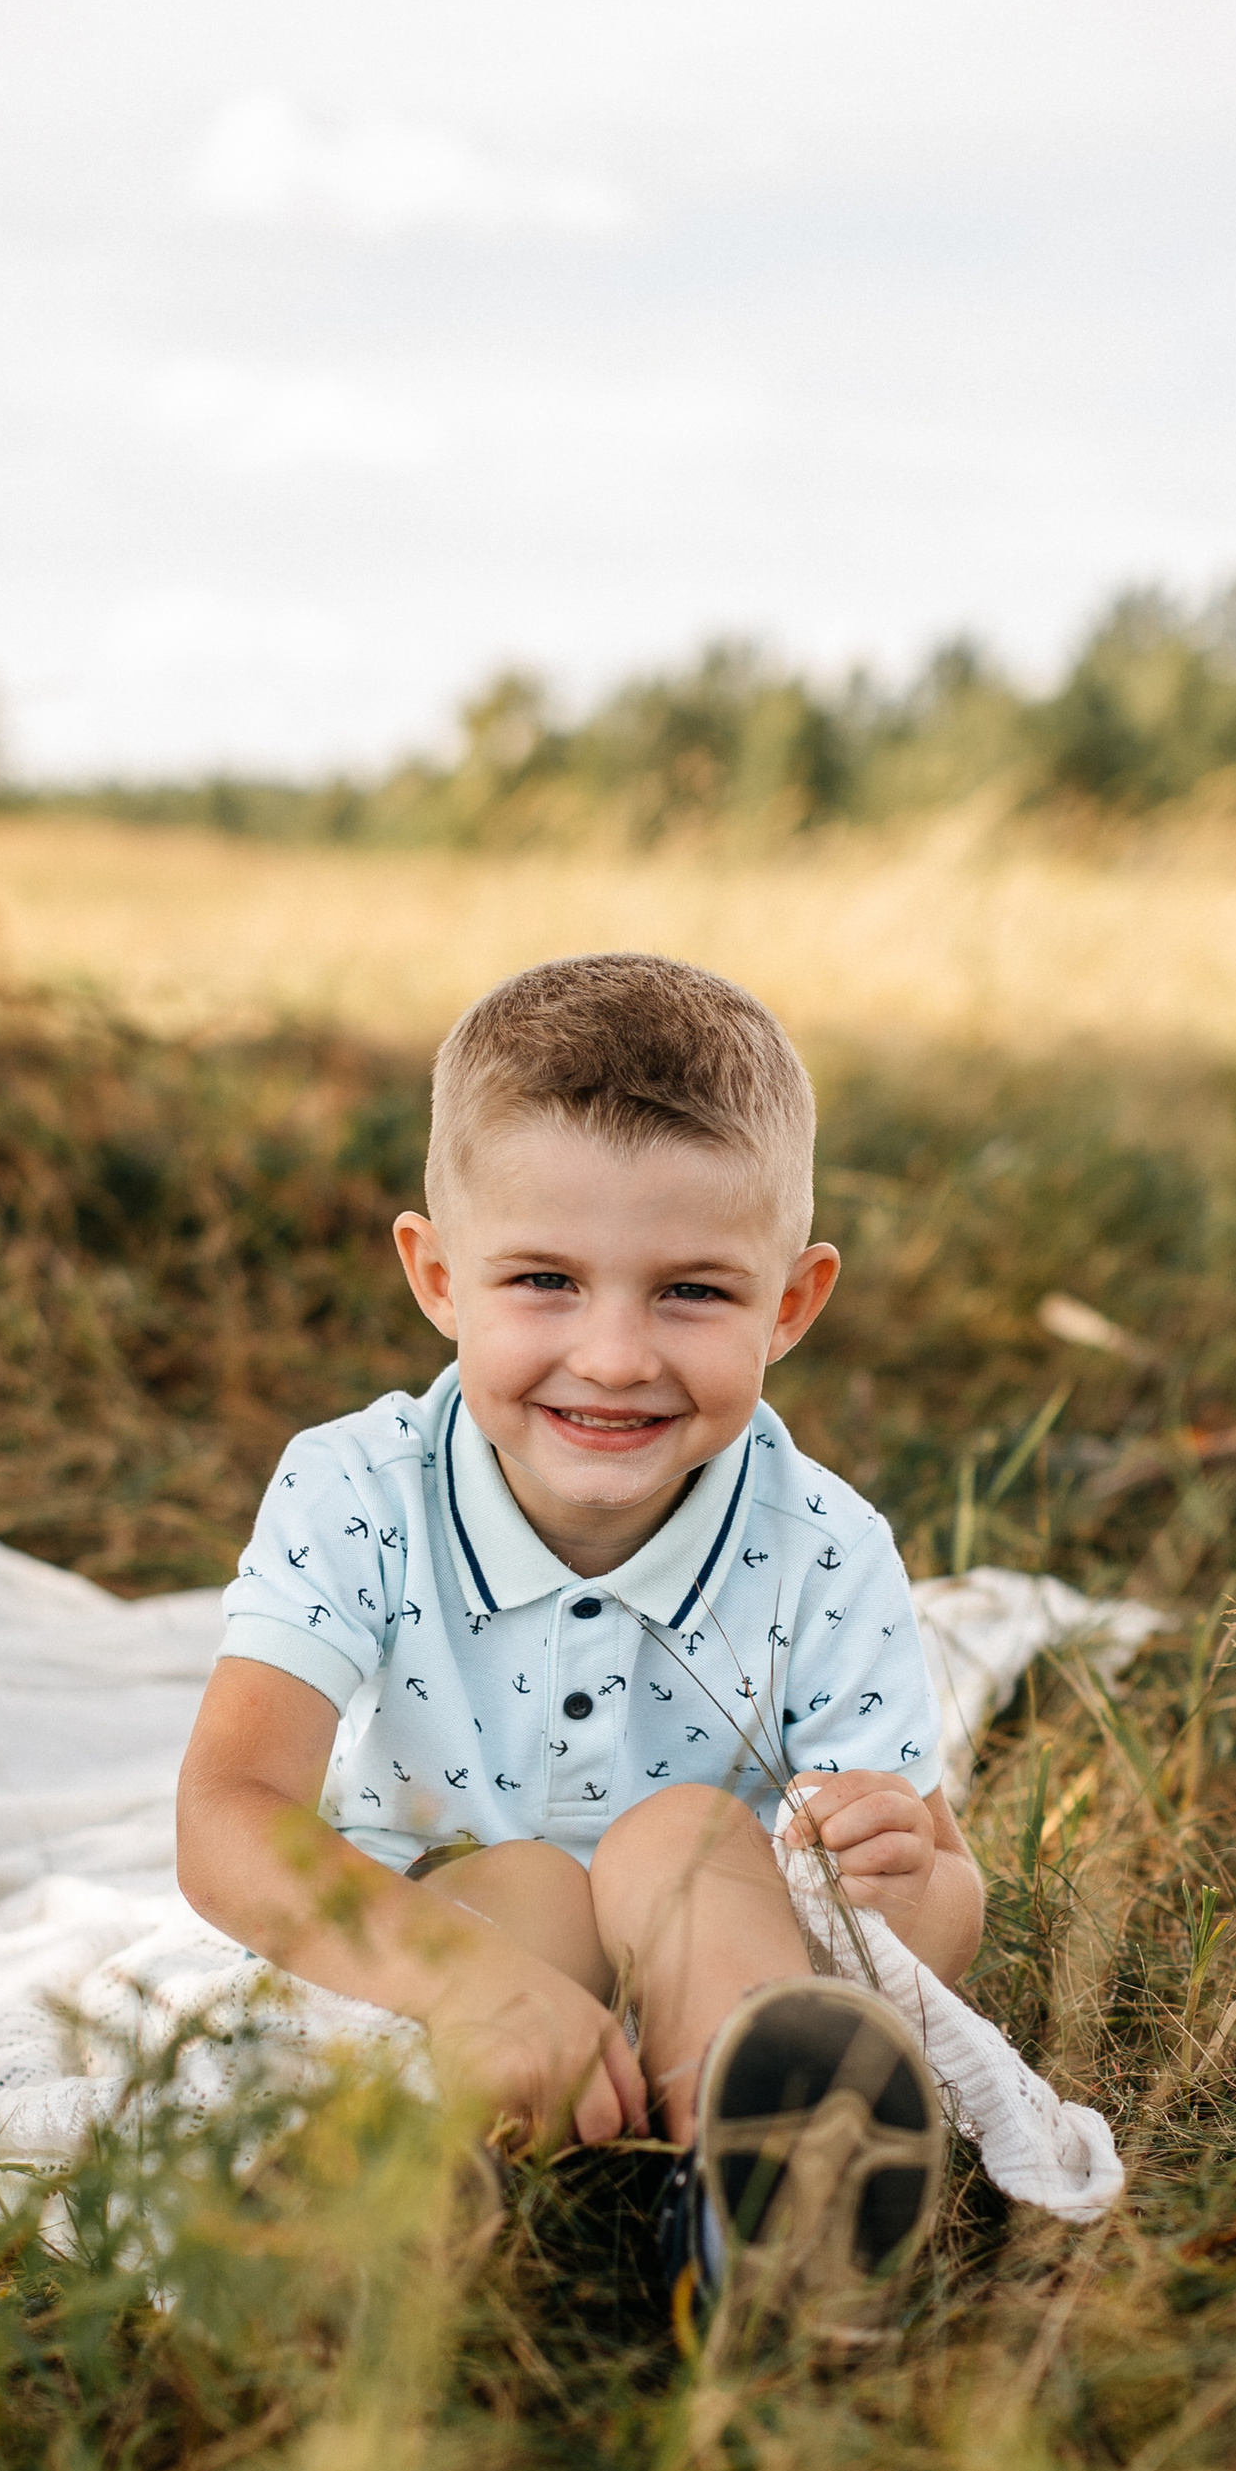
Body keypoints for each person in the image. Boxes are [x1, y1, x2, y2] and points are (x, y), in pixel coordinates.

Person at [175, 951, 983, 2313]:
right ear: (437, 1277)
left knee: (682, 1836)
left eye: (693, 1293)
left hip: (717, 1964)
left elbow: (936, 1911)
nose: (613, 1356)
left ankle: (756, 2194)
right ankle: (406, 2195)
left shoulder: (826, 1546)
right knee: (530, 1888)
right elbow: (227, 1816)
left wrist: (906, 1883)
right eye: (545, 1280)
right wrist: (465, 1978)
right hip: (458, 1955)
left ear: (790, 1304)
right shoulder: (357, 1486)